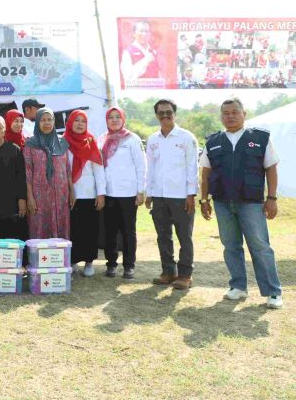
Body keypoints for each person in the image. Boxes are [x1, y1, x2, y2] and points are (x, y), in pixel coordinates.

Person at [200, 98, 283, 309]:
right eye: (226, 113)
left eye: (235, 112)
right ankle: (238, 286)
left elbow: (271, 168)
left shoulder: (260, 138)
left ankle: (273, 292)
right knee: (231, 246)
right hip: (222, 203)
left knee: (260, 246)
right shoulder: (213, 141)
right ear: (221, 116)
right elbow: (206, 174)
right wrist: (204, 199)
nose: (230, 116)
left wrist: (271, 199)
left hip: (252, 203)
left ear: (244, 114)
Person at [145, 99, 198, 290]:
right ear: (157, 115)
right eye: (161, 113)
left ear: (175, 114)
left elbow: (193, 167)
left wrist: (191, 194)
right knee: (163, 235)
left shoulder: (186, 137)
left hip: (181, 195)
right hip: (159, 195)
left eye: (169, 112)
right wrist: (149, 193)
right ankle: (168, 271)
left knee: (184, 236)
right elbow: (150, 168)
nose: (165, 116)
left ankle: (185, 275)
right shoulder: (152, 140)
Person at [100, 106, 146, 280]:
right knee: (110, 231)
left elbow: (141, 166)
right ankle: (111, 264)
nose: (114, 120)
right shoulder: (102, 139)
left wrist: (140, 191)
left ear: (123, 119)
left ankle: (129, 266)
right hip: (109, 193)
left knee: (128, 231)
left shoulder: (132, 139)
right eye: (110, 117)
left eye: (117, 117)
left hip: (128, 193)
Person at [63, 110, 105, 277]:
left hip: (89, 193)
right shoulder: (63, 142)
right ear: (70, 122)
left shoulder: (91, 142)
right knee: (72, 229)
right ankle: (73, 260)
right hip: (69, 194)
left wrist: (101, 193)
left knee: (89, 229)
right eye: (76, 120)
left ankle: (89, 262)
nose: (80, 124)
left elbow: (99, 170)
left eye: (83, 121)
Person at [23, 107, 73, 240]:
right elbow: (28, 172)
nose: (46, 123)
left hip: (61, 194)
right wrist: (30, 197)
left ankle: (59, 258)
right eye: (43, 120)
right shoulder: (30, 144)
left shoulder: (62, 142)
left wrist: (72, 192)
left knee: (60, 221)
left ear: (54, 121)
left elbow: (67, 169)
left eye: (49, 119)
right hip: (39, 194)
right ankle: (39, 258)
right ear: (37, 122)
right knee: (39, 224)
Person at [0, 115, 28, 240]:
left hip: (11, 203)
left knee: (13, 236)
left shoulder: (14, 150)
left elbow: (21, 177)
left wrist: (22, 199)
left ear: (4, 130)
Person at [120, 20, 161, 85]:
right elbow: (128, 77)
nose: (144, 34)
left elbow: (158, 74)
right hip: (137, 93)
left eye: (147, 31)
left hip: (155, 92)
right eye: (141, 31)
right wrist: (145, 61)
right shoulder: (128, 52)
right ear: (134, 34)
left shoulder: (153, 51)